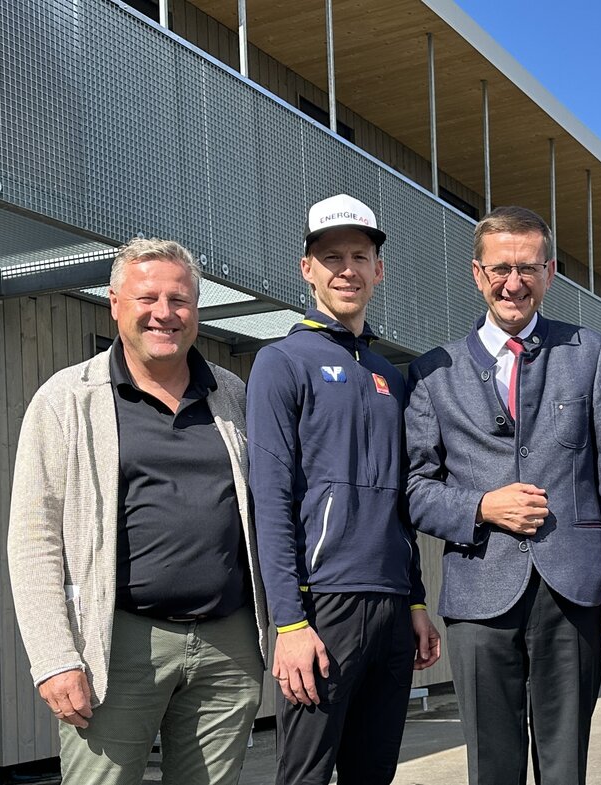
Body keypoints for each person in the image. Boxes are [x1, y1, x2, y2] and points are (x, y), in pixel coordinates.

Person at [6, 239, 266, 785]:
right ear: (114, 303)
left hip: (228, 644)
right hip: (118, 643)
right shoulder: (67, 400)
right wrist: (55, 658)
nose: (164, 313)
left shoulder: (234, 396)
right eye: (147, 297)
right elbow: (34, 538)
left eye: (180, 299)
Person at [404, 205, 601, 785]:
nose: (514, 282)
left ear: (550, 271)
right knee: (492, 765)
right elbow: (413, 489)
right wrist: (481, 507)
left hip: (574, 591)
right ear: (476, 273)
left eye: (528, 268)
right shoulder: (433, 372)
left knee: (565, 765)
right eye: (500, 269)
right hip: (479, 594)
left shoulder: (588, 353)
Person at [248, 194, 442, 785]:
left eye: (360, 256)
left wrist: (414, 601)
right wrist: (288, 622)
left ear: (379, 270)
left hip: (390, 605)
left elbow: (402, 502)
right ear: (307, 268)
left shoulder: (391, 375)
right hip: (321, 606)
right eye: (331, 257)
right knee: (305, 774)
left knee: (374, 773)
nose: (347, 270)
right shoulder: (282, 363)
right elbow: (271, 500)